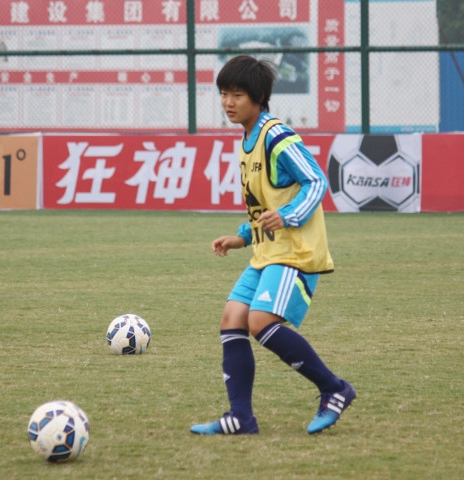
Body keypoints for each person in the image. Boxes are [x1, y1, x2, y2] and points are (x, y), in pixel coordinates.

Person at [190, 55, 355, 436]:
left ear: (260, 97)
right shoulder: (247, 140)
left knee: (260, 322)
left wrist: (290, 216)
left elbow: (316, 181)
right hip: (267, 252)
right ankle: (241, 418)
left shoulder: (276, 135)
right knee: (232, 320)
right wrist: (242, 236)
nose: (228, 102)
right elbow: (264, 203)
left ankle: (334, 389)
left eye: (237, 94)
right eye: (223, 94)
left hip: (295, 252)